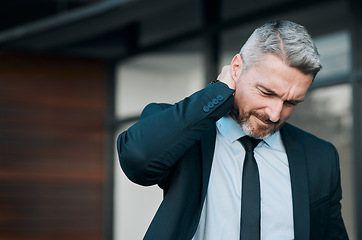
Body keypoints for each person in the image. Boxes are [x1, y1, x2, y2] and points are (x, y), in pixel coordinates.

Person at [116, 20, 349, 240]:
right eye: (267, 92)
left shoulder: (320, 156)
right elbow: (138, 159)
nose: (275, 114)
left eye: (291, 103)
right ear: (237, 68)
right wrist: (219, 92)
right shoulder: (188, 135)